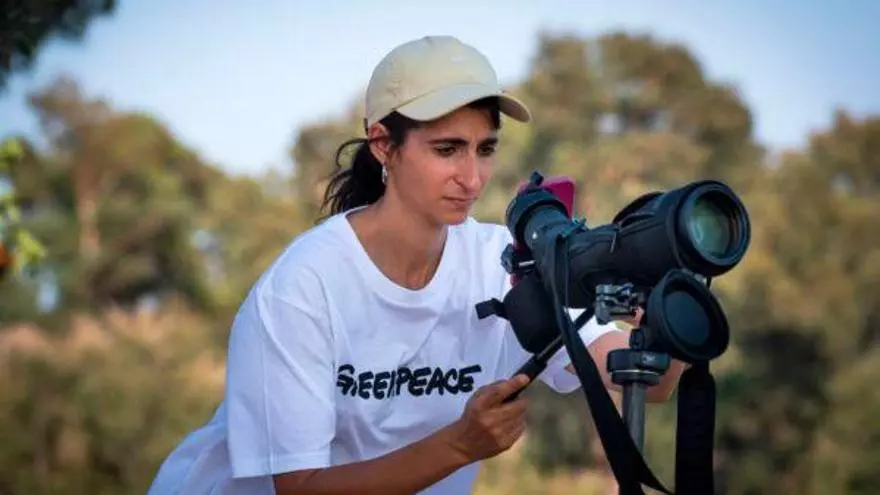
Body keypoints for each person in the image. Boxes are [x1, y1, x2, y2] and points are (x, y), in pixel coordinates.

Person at [147, 35, 686, 495]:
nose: (472, 178)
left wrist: (677, 305)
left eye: (485, 149)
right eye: (447, 149)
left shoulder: (504, 262)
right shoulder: (304, 286)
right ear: (384, 144)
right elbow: (299, 487)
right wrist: (458, 446)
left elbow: (647, 381)